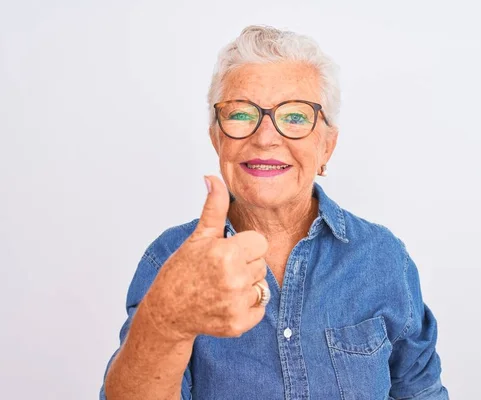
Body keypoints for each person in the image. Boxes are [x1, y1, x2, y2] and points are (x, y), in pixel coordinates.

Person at [101, 25, 449, 400]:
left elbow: (421, 392)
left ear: (327, 146)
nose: (265, 137)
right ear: (216, 138)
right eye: (240, 115)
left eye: (296, 117)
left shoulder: (382, 257)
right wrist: (165, 321)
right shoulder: (169, 260)